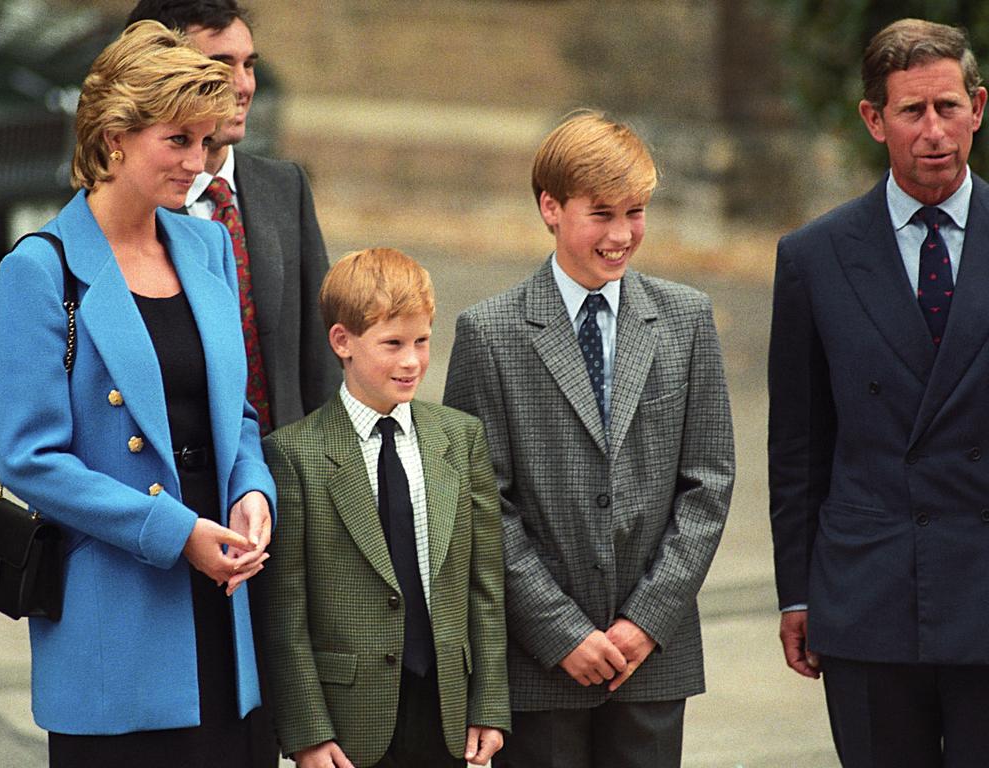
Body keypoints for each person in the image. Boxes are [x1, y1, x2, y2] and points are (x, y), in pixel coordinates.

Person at [0, 20, 276, 768]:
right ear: (116, 136)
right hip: (117, 608)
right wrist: (176, 533)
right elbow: (29, 459)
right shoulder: (40, 269)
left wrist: (253, 493)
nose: (197, 163)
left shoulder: (207, 244)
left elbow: (236, 415)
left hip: (225, 598)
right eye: (177, 141)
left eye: (207, 143)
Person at [444, 111, 734, 768]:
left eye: (635, 212)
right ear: (550, 207)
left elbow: (708, 482)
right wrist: (561, 632)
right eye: (601, 213)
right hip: (541, 664)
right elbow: (483, 501)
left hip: (653, 659)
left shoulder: (685, 319)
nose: (623, 233)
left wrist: (645, 622)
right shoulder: (490, 334)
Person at [768, 17, 989, 767]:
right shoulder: (813, 257)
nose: (935, 130)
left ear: (979, 107)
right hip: (868, 599)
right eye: (912, 111)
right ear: (873, 119)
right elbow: (798, 446)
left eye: (948, 107)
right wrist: (796, 594)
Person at [253, 248, 510, 768]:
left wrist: (488, 703)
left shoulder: (459, 439)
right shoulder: (295, 453)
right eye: (392, 343)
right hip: (348, 721)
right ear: (342, 342)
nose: (412, 360)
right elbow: (286, 610)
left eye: (421, 340)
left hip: (444, 710)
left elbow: (484, 587)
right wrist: (307, 732)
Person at [126, 0, 340, 433]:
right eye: (221, 65)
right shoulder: (131, 207)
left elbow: (321, 361)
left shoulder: (285, 187)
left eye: (249, 64)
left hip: (283, 473)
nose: (242, 85)